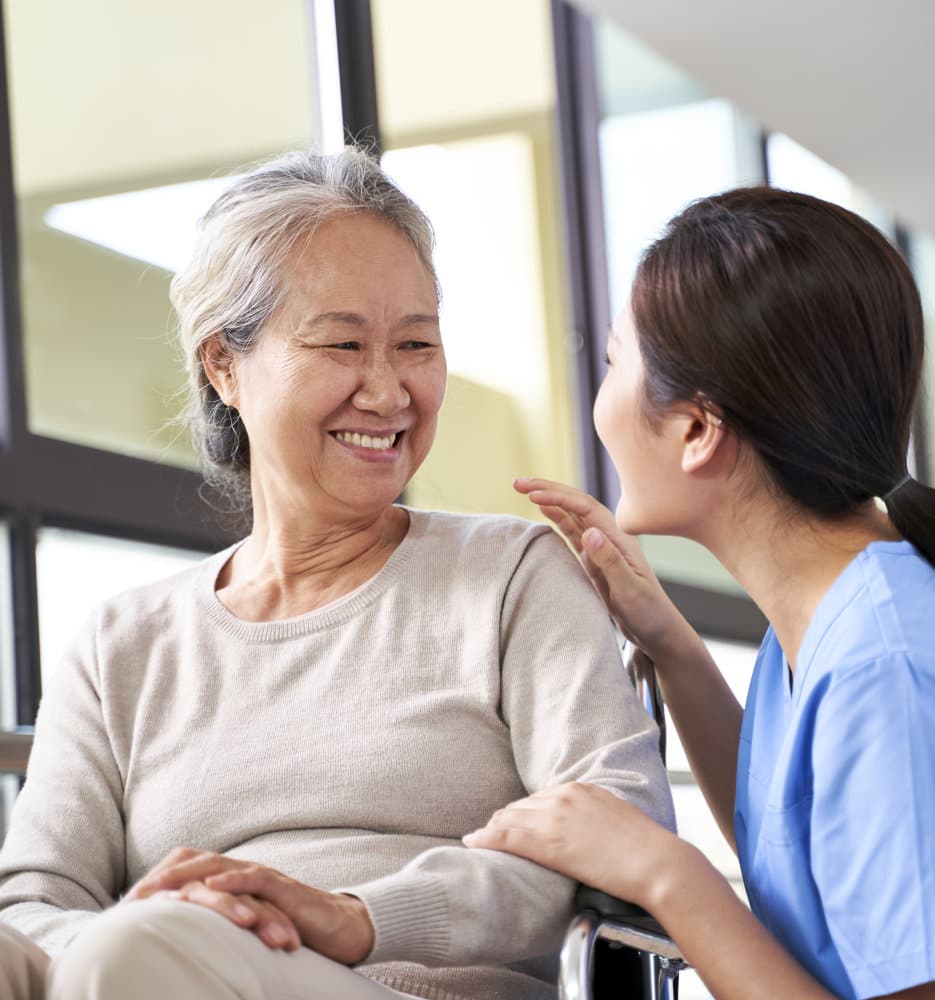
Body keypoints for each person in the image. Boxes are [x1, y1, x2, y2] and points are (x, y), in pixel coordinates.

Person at [0, 148, 676, 1000]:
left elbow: (620, 830)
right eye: (344, 343)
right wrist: (160, 939)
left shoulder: (510, 576)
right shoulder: (121, 644)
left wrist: (359, 916)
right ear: (224, 366)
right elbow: (33, 900)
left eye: (417, 344)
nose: (389, 391)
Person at [465, 187, 935, 1000]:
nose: (603, 402)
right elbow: (798, 851)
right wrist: (671, 646)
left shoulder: (886, 671)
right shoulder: (842, 615)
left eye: (614, 363)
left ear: (697, 431)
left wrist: (665, 874)